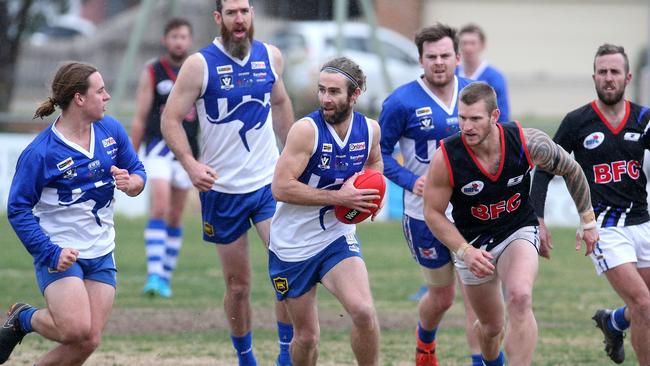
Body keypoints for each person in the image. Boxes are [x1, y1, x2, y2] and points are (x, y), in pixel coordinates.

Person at [423, 82, 599, 366]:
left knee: (519, 297)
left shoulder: (526, 142)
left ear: (494, 116)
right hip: (473, 243)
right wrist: (465, 251)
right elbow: (432, 213)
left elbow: (571, 168)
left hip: (517, 229)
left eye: (475, 119)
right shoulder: (447, 157)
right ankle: (490, 361)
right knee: (491, 328)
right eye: (462, 118)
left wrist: (588, 221)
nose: (466, 126)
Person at [160, 0, 294, 364]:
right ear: (219, 18)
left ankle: (286, 354)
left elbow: (280, 103)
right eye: (232, 12)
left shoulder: (271, 57)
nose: (240, 19)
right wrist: (189, 163)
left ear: (252, 16)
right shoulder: (200, 65)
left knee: (288, 269)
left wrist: (291, 156)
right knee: (239, 286)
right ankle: (246, 357)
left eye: (245, 11)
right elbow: (170, 118)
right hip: (222, 191)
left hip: (269, 185)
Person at [0, 62, 146, 365]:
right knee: (74, 330)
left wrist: (132, 183)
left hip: (102, 250)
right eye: (101, 91)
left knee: (89, 339)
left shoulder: (111, 130)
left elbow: (138, 172)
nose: (106, 97)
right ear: (79, 98)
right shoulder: (41, 152)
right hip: (61, 251)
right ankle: (23, 318)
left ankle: (23, 319)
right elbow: (17, 208)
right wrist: (50, 253)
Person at [530, 44, 650, 365]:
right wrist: (538, 218)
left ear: (627, 77)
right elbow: (544, 168)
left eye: (614, 72)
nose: (608, 78)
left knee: (647, 306)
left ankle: (613, 322)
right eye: (602, 72)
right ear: (594, 77)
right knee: (643, 305)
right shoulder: (577, 122)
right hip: (603, 229)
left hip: (643, 222)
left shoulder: (643, 118)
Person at [269, 56, 382, 366]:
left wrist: (374, 191)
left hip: (336, 238)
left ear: (355, 94)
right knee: (306, 337)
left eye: (334, 92)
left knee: (364, 312)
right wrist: (339, 199)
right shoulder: (306, 131)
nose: (325, 99)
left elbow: (374, 163)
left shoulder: (370, 130)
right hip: (292, 245)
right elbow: (280, 188)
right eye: (322, 90)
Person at [378, 23, 480, 365]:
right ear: (420, 60)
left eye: (444, 55)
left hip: (471, 213)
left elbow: (497, 145)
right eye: (431, 56)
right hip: (425, 215)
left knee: (476, 296)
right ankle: (425, 343)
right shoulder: (401, 101)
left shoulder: (475, 95)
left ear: (457, 58)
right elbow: (380, 155)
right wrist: (411, 181)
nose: (438, 62)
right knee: (441, 296)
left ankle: (481, 360)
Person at [130, 17, 198, 299]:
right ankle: (154, 275)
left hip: (188, 151)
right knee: (159, 206)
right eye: (174, 37)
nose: (179, 42)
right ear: (165, 40)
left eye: (183, 37)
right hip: (158, 146)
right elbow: (140, 117)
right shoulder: (153, 71)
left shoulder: (199, 69)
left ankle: (165, 278)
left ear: (190, 40)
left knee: (174, 215)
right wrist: (129, 159)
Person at [456, 23, 510, 122]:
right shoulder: (452, 74)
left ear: (482, 45)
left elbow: (503, 115)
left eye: (472, 43)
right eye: (464, 43)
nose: (468, 48)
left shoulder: (495, 77)